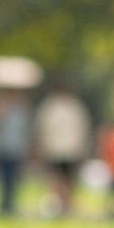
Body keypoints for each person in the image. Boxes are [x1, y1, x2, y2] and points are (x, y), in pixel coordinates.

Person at [33, 86, 93, 215]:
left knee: (68, 181)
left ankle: (66, 205)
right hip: (54, 150)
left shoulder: (76, 108)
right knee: (56, 180)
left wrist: (82, 148)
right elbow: (42, 129)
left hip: (71, 151)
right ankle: (60, 204)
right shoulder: (49, 107)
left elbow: (82, 130)